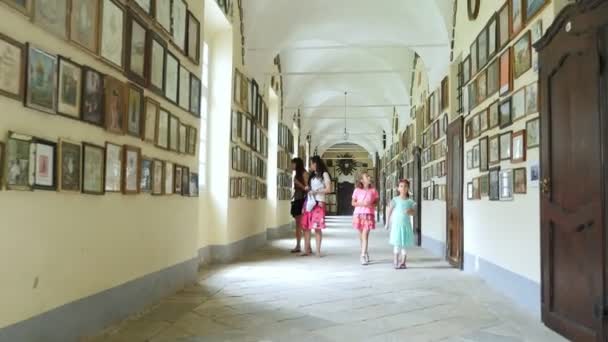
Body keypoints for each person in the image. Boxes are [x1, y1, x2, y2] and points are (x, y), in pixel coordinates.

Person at [301, 156, 331, 257]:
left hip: (318, 202)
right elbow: (311, 188)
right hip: (309, 202)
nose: (310, 166)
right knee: (306, 226)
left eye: (311, 163)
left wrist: (316, 191)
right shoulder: (312, 175)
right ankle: (307, 249)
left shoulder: (324, 174)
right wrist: (308, 188)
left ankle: (318, 251)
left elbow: (328, 189)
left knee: (317, 227)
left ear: (315, 164)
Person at [385, 179, 416, 269]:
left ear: (408, 188)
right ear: (398, 188)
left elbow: (414, 213)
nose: (403, 188)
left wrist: (410, 211)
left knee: (404, 245)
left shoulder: (410, 201)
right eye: (401, 186)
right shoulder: (395, 200)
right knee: (397, 244)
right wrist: (387, 223)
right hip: (396, 226)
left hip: (406, 226)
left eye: (405, 186)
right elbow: (389, 211)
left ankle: (403, 262)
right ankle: (395, 261)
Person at [351, 172, 379, 265]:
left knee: (365, 234)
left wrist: (371, 205)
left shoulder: (373, 190)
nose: (369, 177)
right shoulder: (357, 190)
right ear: (362, 180)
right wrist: (362, 204)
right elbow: (353, 203)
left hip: (368, 214)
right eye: (367, 176)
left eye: (369, 175)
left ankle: (362, 255)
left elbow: (376, 202)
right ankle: (365, 252)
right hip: (358, 214)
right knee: (361, 236)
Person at [290, 157, 309, 253]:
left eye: (292, 164)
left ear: (297, 164)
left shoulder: (304, 173)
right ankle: (298, 245)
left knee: (302, 223)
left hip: (302, 200)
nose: (291, 165)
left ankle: (307, 246)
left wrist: (298, 183)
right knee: (298, 224)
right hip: (297, 199)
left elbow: (307, 188)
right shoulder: (296, 174)